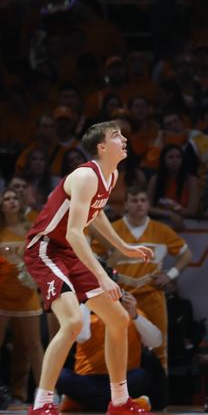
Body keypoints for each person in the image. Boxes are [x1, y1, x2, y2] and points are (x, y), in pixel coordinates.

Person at [22, 121, 155, 415]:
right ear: (102, 147)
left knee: (119, 319)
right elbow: (72, 232)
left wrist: (123, 247)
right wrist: (102, 276)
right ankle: (42, 404)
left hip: (69, 250)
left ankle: (119, 402)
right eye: (116, 135)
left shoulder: (112, 174)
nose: (123, 138)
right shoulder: (84, 175)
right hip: (46, 249)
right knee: (71, 323)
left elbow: (94, 215)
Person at [102, 187, 192, 371]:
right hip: (120, 298)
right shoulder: (111, 230)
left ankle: (159, 396)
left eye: (143, 200)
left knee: (158, 348)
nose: (139, 205)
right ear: (125, 204)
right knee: (119, 347)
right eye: (134, 201)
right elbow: (95, 258)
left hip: (153, 295)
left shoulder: (161, 230)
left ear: (148, 204)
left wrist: (170, 275)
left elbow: (186, 254)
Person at [57, 290, 162, 412]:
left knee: (141, 376)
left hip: (123, 380)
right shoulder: (87, 314)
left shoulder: (132, 315)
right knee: (62, 376)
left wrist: (135, 316)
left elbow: (156, 342)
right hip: (88, 379)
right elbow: (81, 337)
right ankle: (125, 404)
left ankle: (83, 404)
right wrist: (85, 301)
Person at [0, 188, 44, 403]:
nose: (11, 202)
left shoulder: (30, 229)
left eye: (14, 198)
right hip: (2, 294)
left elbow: (40, 259)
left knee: (34, 346)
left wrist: (35, 277)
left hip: (27, 293)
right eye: (6, 199)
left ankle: (47, 394)